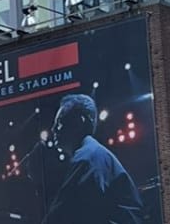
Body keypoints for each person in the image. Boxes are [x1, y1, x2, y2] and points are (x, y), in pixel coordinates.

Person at [42, 95, 144, 224]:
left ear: (80, 121)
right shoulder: (93, 153)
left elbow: (62, 211)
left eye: (59, 122)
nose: (53, 129)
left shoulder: (88, 156)